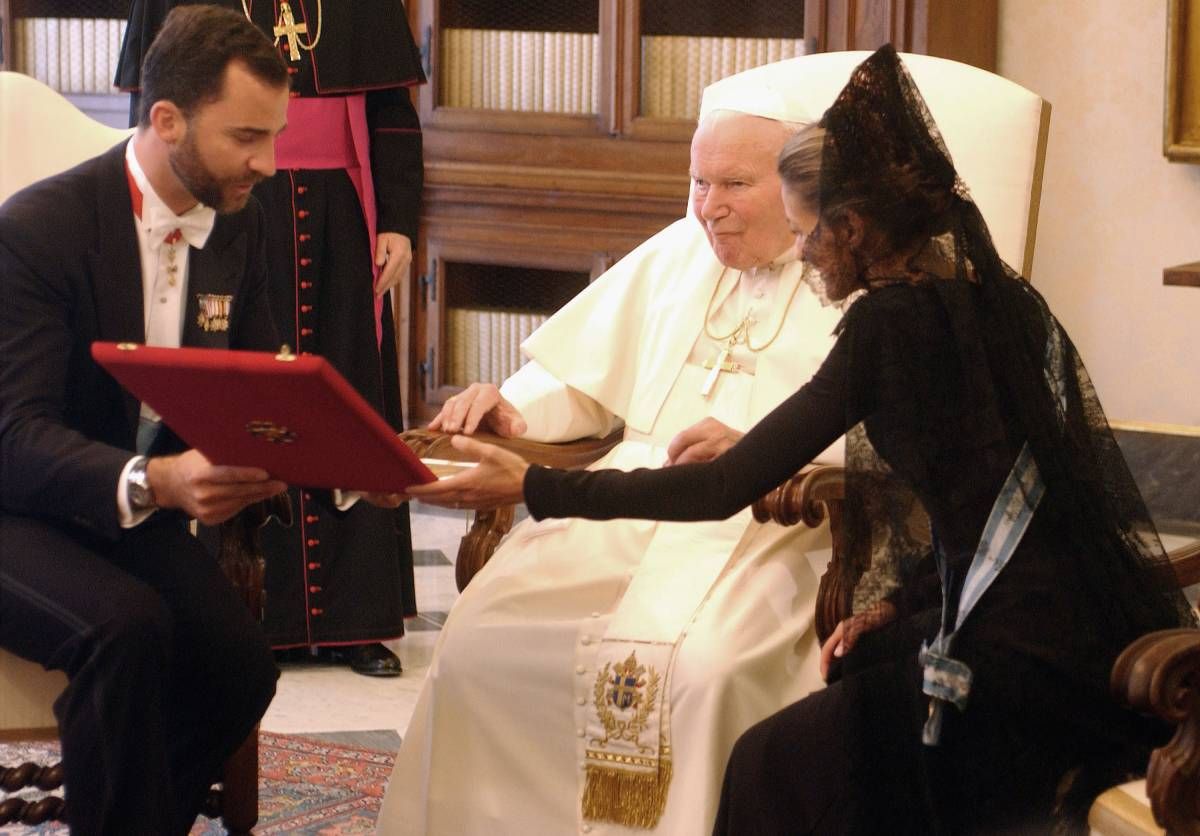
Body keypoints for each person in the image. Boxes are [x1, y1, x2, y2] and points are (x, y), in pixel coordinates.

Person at [405, 45, 1196, 834]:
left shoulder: (885, 323)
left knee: (763, 751)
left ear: (850, 224)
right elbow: (965, 493)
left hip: (981, 637)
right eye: (701, 184)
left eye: (804, 230)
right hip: (1037, 613)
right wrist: (893, 607)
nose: (803, 254)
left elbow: (723, 488)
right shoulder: (983, 295)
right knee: (831, 682)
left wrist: (530, 487)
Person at [377, 69, 845, 832]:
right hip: (623, 505)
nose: (708, 209)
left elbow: (892, 434)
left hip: (771, 526)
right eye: (697, 182)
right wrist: (511, 407)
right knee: (480, 636)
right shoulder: (680, 250)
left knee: (707, 670)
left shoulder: (855, 272)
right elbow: (583, 379)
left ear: (803, 187)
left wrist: (770, 452)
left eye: (733, 183)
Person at [0, 7, 290, 834]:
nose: (266, 164)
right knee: (126, 632)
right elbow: (13, 436)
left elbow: (260, 383)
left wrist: (349, 463)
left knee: (239, 668)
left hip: (128, 509)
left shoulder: (239, 217)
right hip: (16, 503)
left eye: (273, 135)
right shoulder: (38, 229)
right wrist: (158, 480)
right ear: (166, 120)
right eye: (245, 137)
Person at [116, 0, 426, 677]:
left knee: (346, 388)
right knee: (238, 394)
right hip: (221, 199)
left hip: (340, 215)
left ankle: (355, 620)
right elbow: (153, 103)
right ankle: (243, 612)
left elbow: (392, 112)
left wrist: (399, 219)